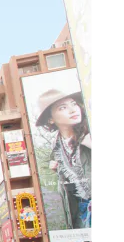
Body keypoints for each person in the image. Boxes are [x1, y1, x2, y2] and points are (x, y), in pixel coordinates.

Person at [35, 88, 92, 229]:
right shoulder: (57, 148)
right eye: (63, 107)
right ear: (51, 119)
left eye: (74, 104)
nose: (73, 110)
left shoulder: (88, 136)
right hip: (81, 212)